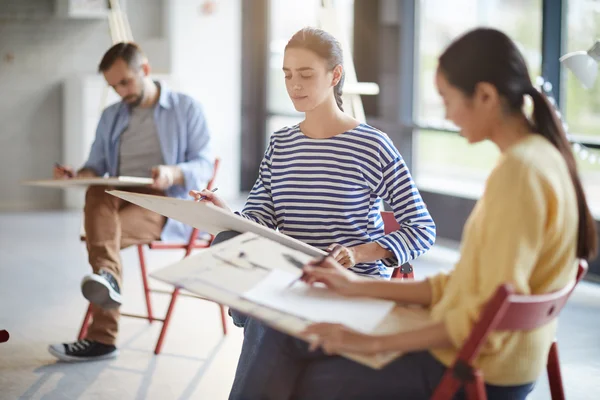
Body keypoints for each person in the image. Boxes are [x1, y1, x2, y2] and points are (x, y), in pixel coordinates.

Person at [217, 27, 598, 400]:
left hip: (484, 364)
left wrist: (372, 341)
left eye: (447, 100)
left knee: (294, 366)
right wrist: (356, 285)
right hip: (495, 355)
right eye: (287, 75)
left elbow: (476, 319)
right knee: (275, 332)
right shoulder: (540, 160)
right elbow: (469, 288)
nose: (447, 117)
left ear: (484, 96)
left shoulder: (518, 173)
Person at [190, 26, 435, 397]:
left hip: (347, 287)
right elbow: (259, 214)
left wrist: (356, 254)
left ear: (335, 75)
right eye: (287, 75)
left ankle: (251, 310)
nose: (294, 85)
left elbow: (421, 228)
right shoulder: (282, 143)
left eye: (306, 74)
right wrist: (227, 214)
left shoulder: (372, 145)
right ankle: (254, 308)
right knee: (230, 242)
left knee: (266, 318)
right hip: (290, 280)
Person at [48, 42, 213, 362]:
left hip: (165, 203)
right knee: (95, 190)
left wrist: (173, 172)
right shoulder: (111, 115)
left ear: (146, 70)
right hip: (118, 199)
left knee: (101, 239)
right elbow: (95, 165)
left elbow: (204, 165)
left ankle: (102, 337)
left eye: (125, 82)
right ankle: (107, 282)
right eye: (113, 86)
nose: (120, 92)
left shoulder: (186, 108)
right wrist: (77, 174)